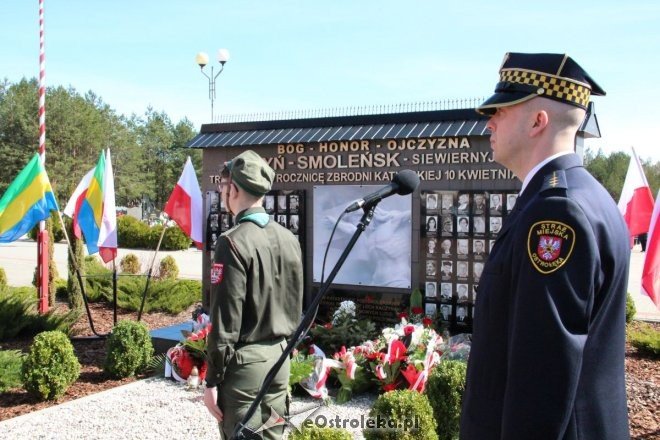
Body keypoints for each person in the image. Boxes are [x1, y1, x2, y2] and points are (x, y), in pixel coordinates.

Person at [460, 53, 630, 439]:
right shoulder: (579, 196)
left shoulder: (556, 213)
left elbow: (541, 376)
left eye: (501, 111)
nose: (489, 122)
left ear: (538, 121)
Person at [204, 150, 304, 440]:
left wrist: (212, 380)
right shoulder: (289, 238)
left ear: (233, 189)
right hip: (280, 358)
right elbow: (295, 303)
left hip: (245, 367)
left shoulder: (232, 241)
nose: (223, 193)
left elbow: (225, 321)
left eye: (223, 187)